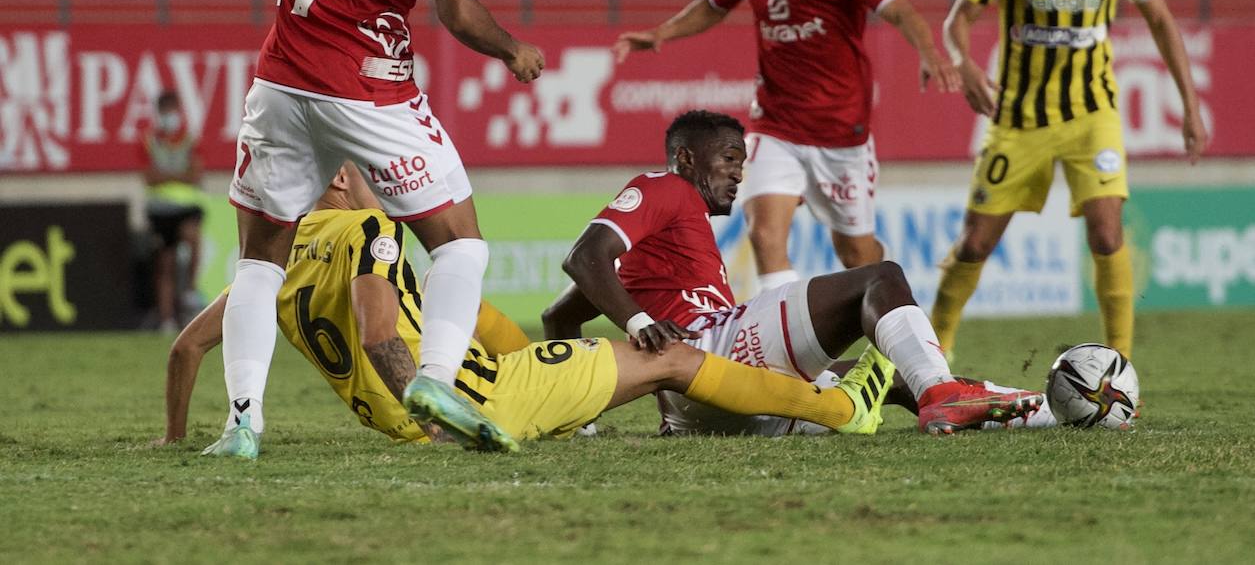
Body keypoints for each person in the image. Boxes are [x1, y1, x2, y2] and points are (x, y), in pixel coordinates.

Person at [148, 0, 546, 459]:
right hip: (367, 87)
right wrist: (512, 47)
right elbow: (456, 8)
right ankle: (432, 379)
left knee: (260, 263)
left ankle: (242, 424)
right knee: (461, 246)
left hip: (281, 76)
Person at [155, 163, 894, 448]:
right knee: (666, 356)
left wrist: (174, 439)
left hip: (415, 425)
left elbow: (185, 349)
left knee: (471, 314)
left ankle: (570, 412)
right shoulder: (372, 230)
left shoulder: (268, 267)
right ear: (344, 179)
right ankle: (841, 410)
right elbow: (381, 328)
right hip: (480, 404)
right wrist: (438, 412)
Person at [542, 110, 1043, 436]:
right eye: (730, 159)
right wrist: (638, 324)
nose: (740, 173)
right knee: (879, 276)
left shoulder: (662, 245)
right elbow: (585, 257)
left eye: (743, 162)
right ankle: (943, 393)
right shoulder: (666, 187)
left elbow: (558, 317)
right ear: (687, 158)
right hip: (714, 356)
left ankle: (1050, 409)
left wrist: (578, 427)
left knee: (893, 375)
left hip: (705, 411)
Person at [613, 0, 959, 291]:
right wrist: (662, 33)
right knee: (764, 233)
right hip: (775, 127)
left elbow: (898, 9)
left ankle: (889, 308)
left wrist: (929, 50)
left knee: (857, 256)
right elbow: (714, 5)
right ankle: (786, 349)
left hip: (841, 137)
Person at [931, 0, 1208, 363]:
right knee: (975, 244)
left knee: (1107, 234)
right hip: (1019, 118)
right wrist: (962, 63)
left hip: (1092, 113)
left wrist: (1190, 107)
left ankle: (1120, 367)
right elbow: (957, 20)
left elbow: (1162, 21)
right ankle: (933, 357)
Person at [142, 90, 205, 334]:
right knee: (165, 264)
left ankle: (189, 290)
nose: (170, 115)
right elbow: (149, 178)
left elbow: (196, 174)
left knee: (193, 240)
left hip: (187, 207)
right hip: (160, 210)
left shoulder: (189, 138)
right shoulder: (150, 140)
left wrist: (166, 177)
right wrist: (180, 176)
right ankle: (167, 320)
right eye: (165, 110)